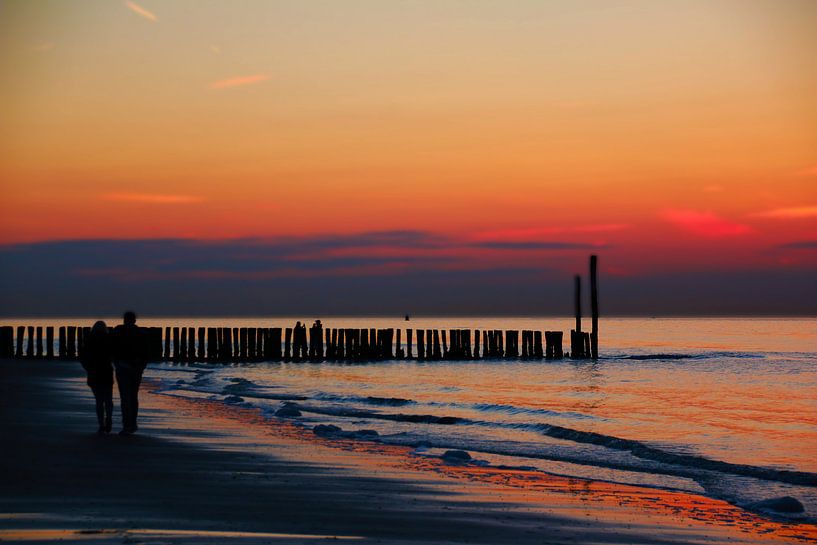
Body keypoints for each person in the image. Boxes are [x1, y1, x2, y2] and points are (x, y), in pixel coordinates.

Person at [112, 311, 148, 435]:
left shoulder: (117, 331)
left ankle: (128, 425)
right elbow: (145, 353)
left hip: (124, 368)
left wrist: (117, 362)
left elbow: (112, 349)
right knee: (132, 397)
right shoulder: (140, 333)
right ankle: (132, 424)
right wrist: (141, 366)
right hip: (134, 369)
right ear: (134, 320)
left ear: (124, 320)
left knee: (125, 397)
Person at [80, 321, 113, 434]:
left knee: (99, 400)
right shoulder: (109, 340)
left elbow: (83, 358)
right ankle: (108, 418)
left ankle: (101, 424)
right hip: (106, 372)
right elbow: (114, 355)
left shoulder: (89, 341)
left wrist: (88, 369)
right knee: (108, 399)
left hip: (94, 373)